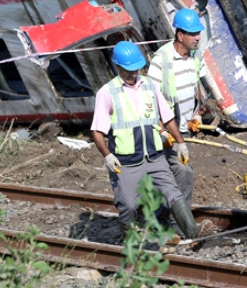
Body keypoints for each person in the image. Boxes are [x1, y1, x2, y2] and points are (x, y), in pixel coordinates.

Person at [91, 41, 214, 241]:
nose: (134, 74)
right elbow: (97, 130)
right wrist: (107, 155)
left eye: (136, 69)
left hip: (155, 157)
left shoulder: (149, 86)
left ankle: (192, 232)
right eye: (129, 70)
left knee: (173, 193)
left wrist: (181, 142)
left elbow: (167, 117)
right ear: (118, 66)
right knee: (129, 206)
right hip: (127, 162)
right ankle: (130, 242)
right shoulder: (107, 93)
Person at [147, 8, 206, 230]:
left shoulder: (196, 55)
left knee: (172, 174)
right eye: (193, 34)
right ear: (179, 35)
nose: (198, 37)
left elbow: (196, 85)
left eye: (198, 33)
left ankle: (160, 216)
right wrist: (161, 129)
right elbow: (150, 97)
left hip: (185, 128)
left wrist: (197, 113)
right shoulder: (162, 59)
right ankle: (183, 226)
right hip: (166, 131)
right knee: (183, 171)